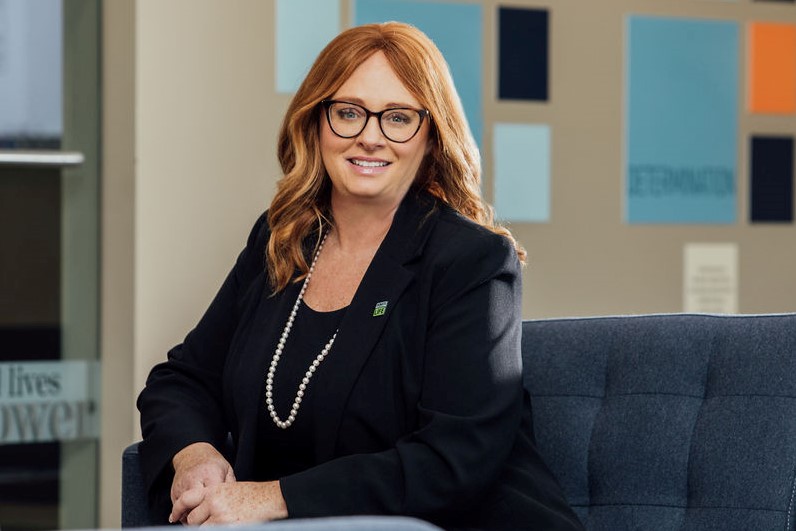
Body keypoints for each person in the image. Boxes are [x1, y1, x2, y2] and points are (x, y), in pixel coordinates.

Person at [137, 21, 583, 531]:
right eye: (348, 112)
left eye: (398, 118)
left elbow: (453, 460)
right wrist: (193, 455)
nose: (370, 137)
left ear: (432, 137)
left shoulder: (472, 261)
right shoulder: (281, 241)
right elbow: (183, 379)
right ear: (316, 123)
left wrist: (273, 498)